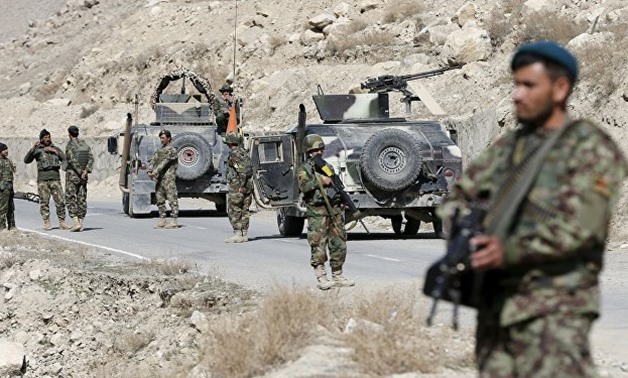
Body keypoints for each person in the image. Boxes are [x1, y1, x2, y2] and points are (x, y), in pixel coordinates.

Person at [436, 40, 627, 377]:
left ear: (560, 88)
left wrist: (507, 250)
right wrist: (464, 231)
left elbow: (582, 229)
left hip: (553, 316)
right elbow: (457, 197)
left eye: (528, 85)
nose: (517, 95)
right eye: (515, 84)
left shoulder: (589, 147)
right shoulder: (509, 147)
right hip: (495, 309)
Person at [297, 134, 354, 290]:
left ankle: (337, 275)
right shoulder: (304, 169)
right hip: (317, 212)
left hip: (334, 210)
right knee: (318, 245)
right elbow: (304, 187)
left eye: (321, 149)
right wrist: (321, 180)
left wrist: (343, 201)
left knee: (339, 244)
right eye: (316, 150)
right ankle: (321, 277)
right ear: (309, 151)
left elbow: (336, 185)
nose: (319, 152)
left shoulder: (327, 166)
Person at [24, 129, 70, 230]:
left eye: (49, 137)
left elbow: (64, 159)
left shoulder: (55, 149)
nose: (48, 139)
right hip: (42, 180)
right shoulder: (37, 151)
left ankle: (62, 222)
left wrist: (55, 152)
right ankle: (46, 222)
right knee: (44, 202)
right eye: (45, 137)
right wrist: (32, 149)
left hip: (55, 179)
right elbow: (26, 160)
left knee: (60, 201)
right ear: (41, 139)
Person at [223, 131, 253, 243]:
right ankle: (244, 233)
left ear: (230, 143)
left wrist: (241, 185)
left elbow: (242, 171)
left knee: (234, 209)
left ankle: (238, 233)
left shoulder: (234, 154)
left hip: (238, 186)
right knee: (245, 210)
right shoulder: (244, 153)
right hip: (248, 186)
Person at [148, 130, 179, 229]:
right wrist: (149, 170)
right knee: (159, 199)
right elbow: (153, 160)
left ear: (168, 138)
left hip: (168, 179)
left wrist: (155, 172)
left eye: (163, 138)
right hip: (160, 178)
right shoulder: (160, 150)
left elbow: (164, 162)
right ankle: (163, 219)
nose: (161, 140)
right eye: (160, 138)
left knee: (172, 199)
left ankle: (174, 220)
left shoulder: (172, 150)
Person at [65, 125, 94, 232]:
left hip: (73, 176)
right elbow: (91, 158)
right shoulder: (84, 144)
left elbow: (72, 160)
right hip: (84, 177)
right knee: (82, 198)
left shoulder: (70, 145)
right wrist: (86, 171)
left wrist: (80, 172)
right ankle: (81, 222)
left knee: (70, 197)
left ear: (69, 134)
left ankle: (76, 222)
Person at [0, 142, 17, 232]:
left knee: (11, 207)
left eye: (6, 149)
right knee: (3, 208)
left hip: (9, 187)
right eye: (4, 149)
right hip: (2, 188)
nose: (6, 151)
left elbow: (13, 170)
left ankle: (12, 225)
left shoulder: (8, 160)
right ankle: (2, 227)